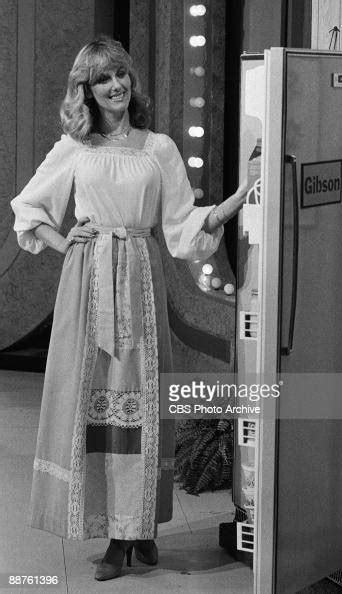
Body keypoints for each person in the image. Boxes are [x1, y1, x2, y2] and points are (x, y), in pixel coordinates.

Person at [10, 36, 247, 581]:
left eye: (120, 74)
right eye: (101, 80)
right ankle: (113, 532)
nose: (115, 86)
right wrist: (62, 238)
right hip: (87, 280)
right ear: (86, 91)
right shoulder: (76, 147)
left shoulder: (158, 147)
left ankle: (136, 529)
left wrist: (234, 202)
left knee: (136, 398)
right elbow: (28, 206)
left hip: (140, 278)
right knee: (92, 398)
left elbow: (183, 226)